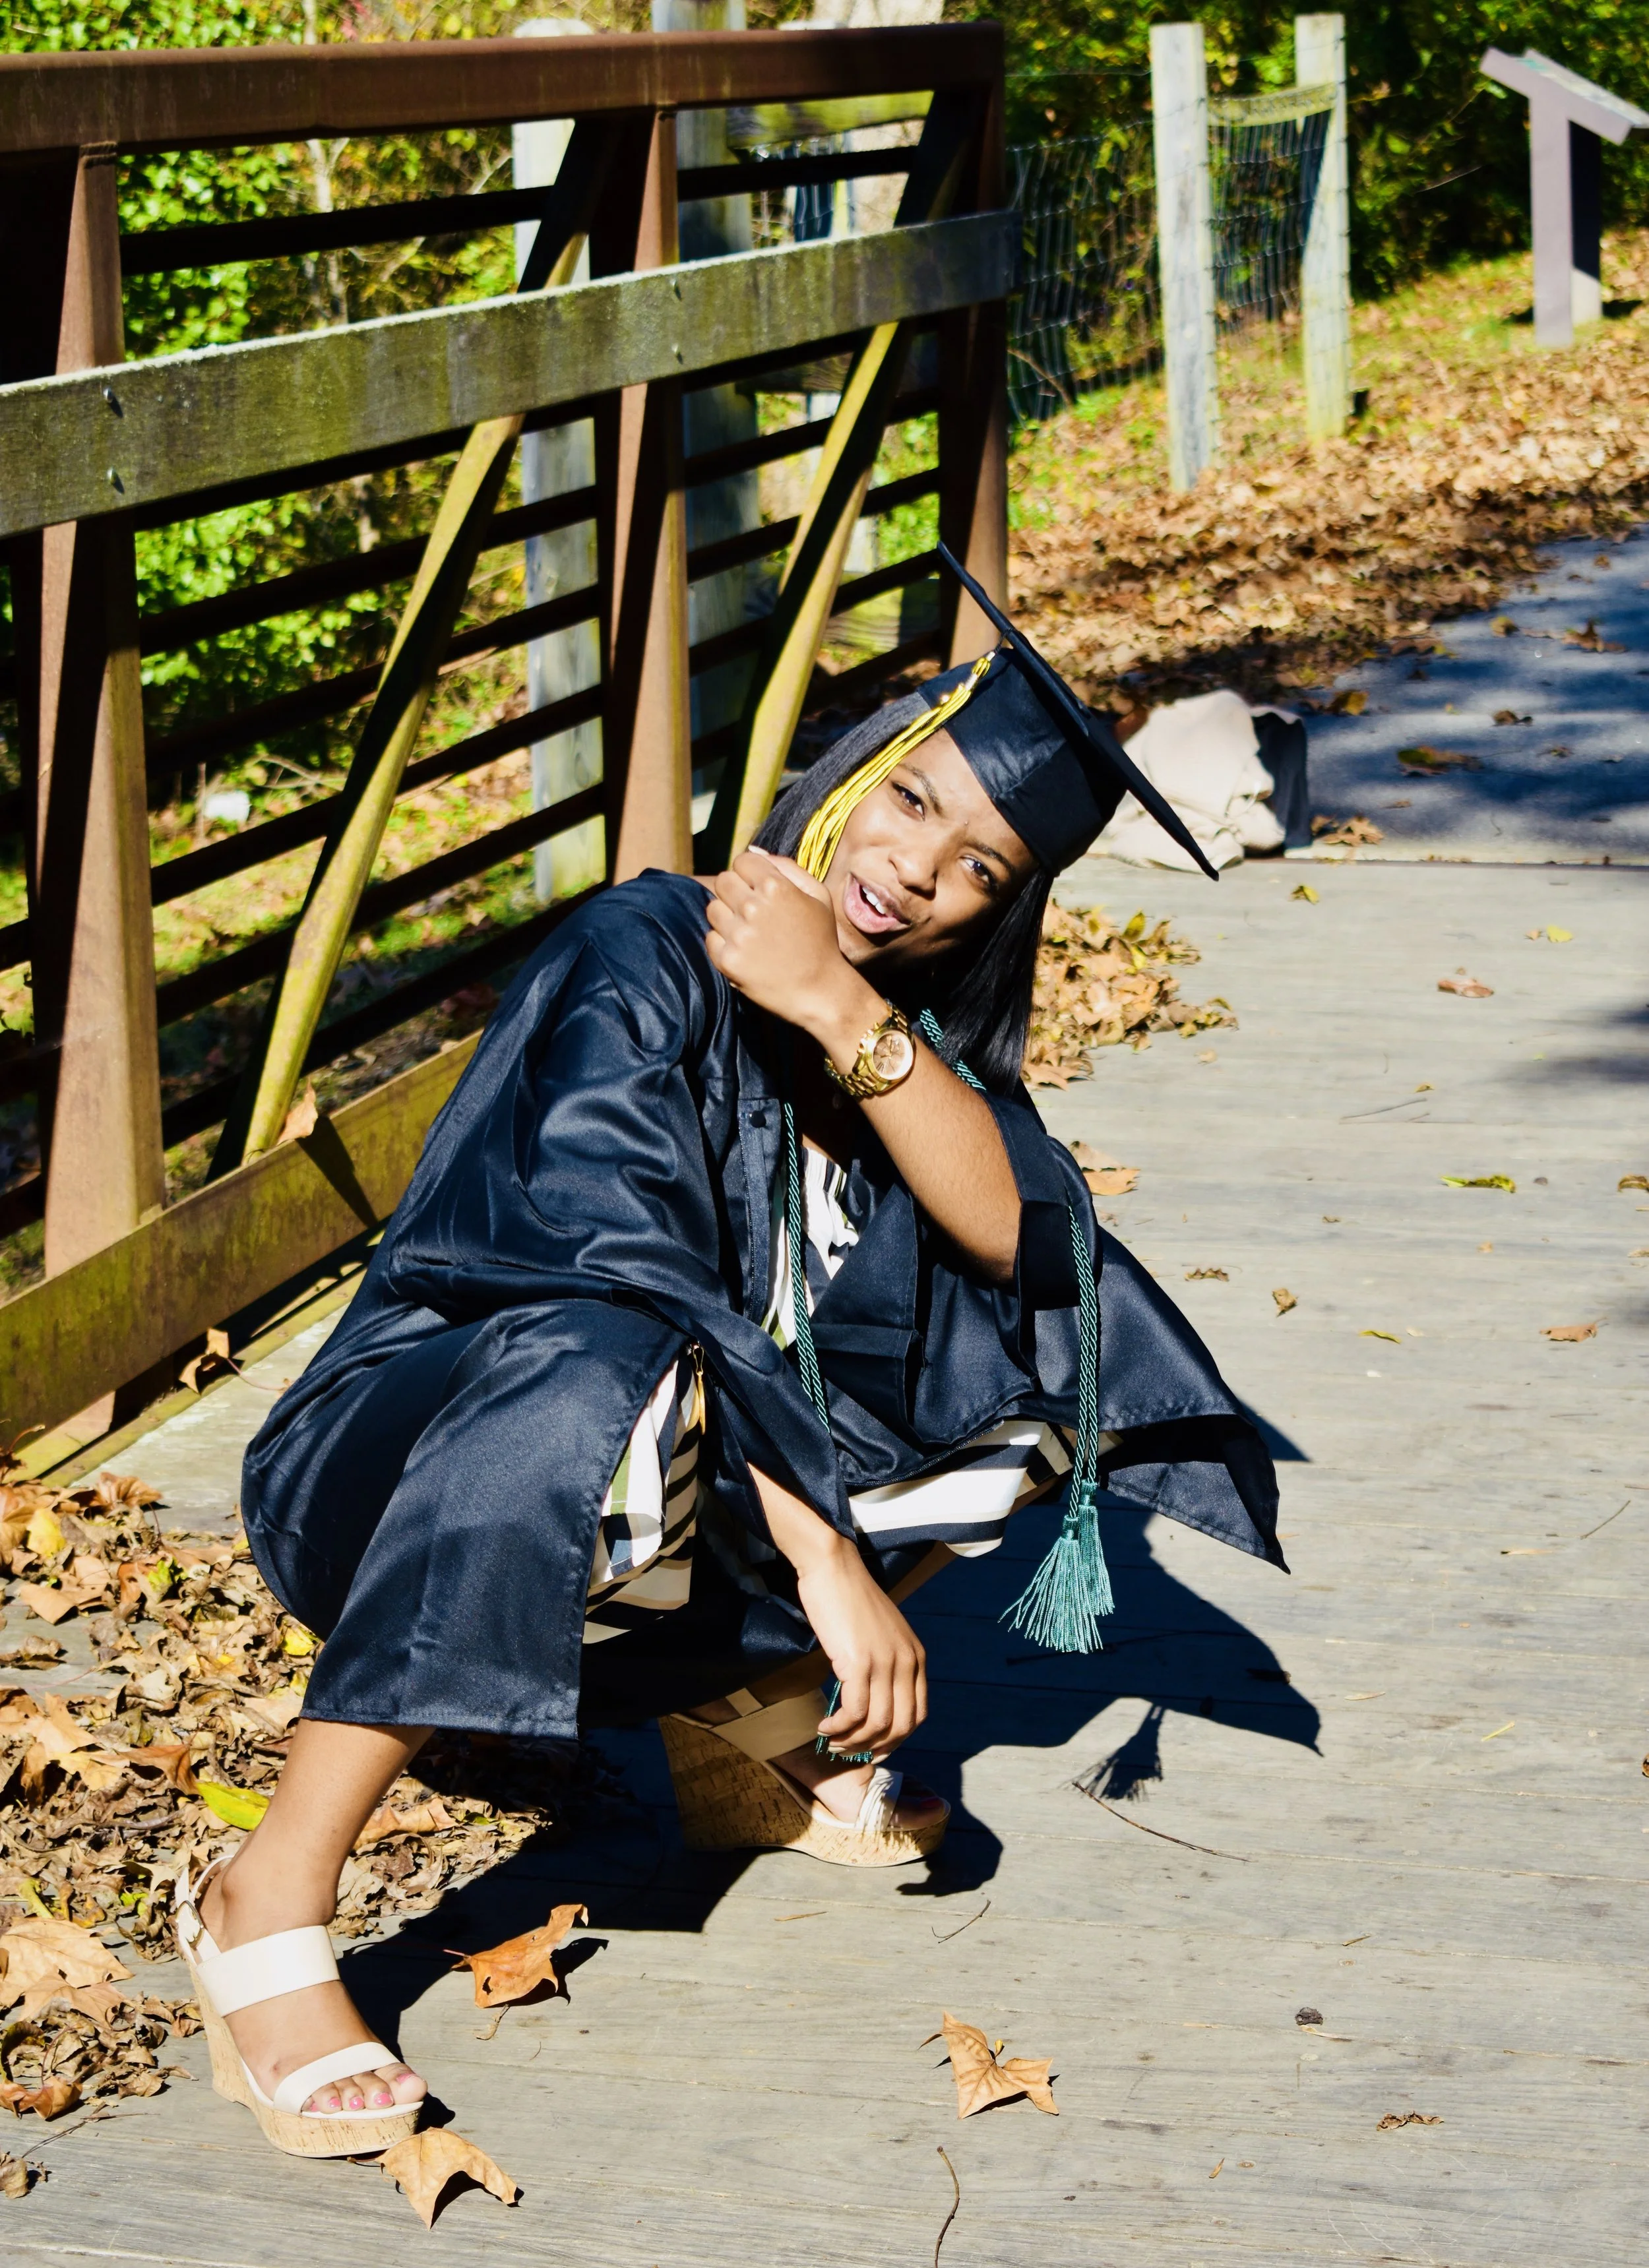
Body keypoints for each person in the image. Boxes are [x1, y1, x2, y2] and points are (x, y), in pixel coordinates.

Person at [175, 557, 1284, 2159]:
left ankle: (752, 1729)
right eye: (906, 803)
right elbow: (617, 1272)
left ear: (1000, 909)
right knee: (596, 1348)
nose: (912, 872)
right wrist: (829, 1564)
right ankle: (266, 1895)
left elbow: (1021, 1241)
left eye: (975, 866)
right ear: (843, 773)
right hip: (398, 1472)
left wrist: (838, 1004)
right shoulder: (639, 948)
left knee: (1047, 1326)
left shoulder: (894, 1029)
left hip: (644, 1521)